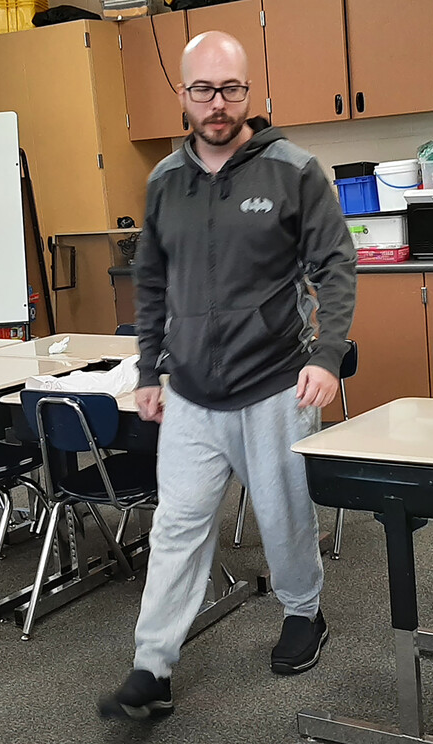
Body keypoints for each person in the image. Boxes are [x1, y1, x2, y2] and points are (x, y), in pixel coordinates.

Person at [98, 30, 356, 719]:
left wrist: (328, 357)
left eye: (232, 88)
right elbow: (151, 282)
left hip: (273, 383)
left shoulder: (292, 170)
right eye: (204, 90)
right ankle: (151, 667)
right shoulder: (164, 181)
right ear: (181, 94)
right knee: (177, 528)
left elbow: (335, 264)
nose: (219, 103)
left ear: (250, 91)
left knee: (283, 517)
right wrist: (150, 368)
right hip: (189, 393)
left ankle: (304, 613)